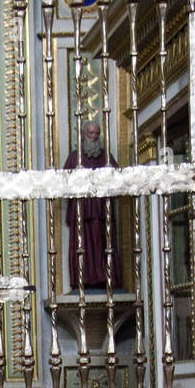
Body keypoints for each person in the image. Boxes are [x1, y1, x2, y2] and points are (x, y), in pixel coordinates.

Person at [64, 120, 122, 289]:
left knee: (102, 243)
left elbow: (118, 179)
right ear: (83, 135)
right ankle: (83, 279)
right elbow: (64, 183)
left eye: (97, 133)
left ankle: (105, 278)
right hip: (81, 209)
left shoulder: (106, 157)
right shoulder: (75, 157)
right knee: (83, 245)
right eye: (91, 133)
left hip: (101, 210)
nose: (94, 137)